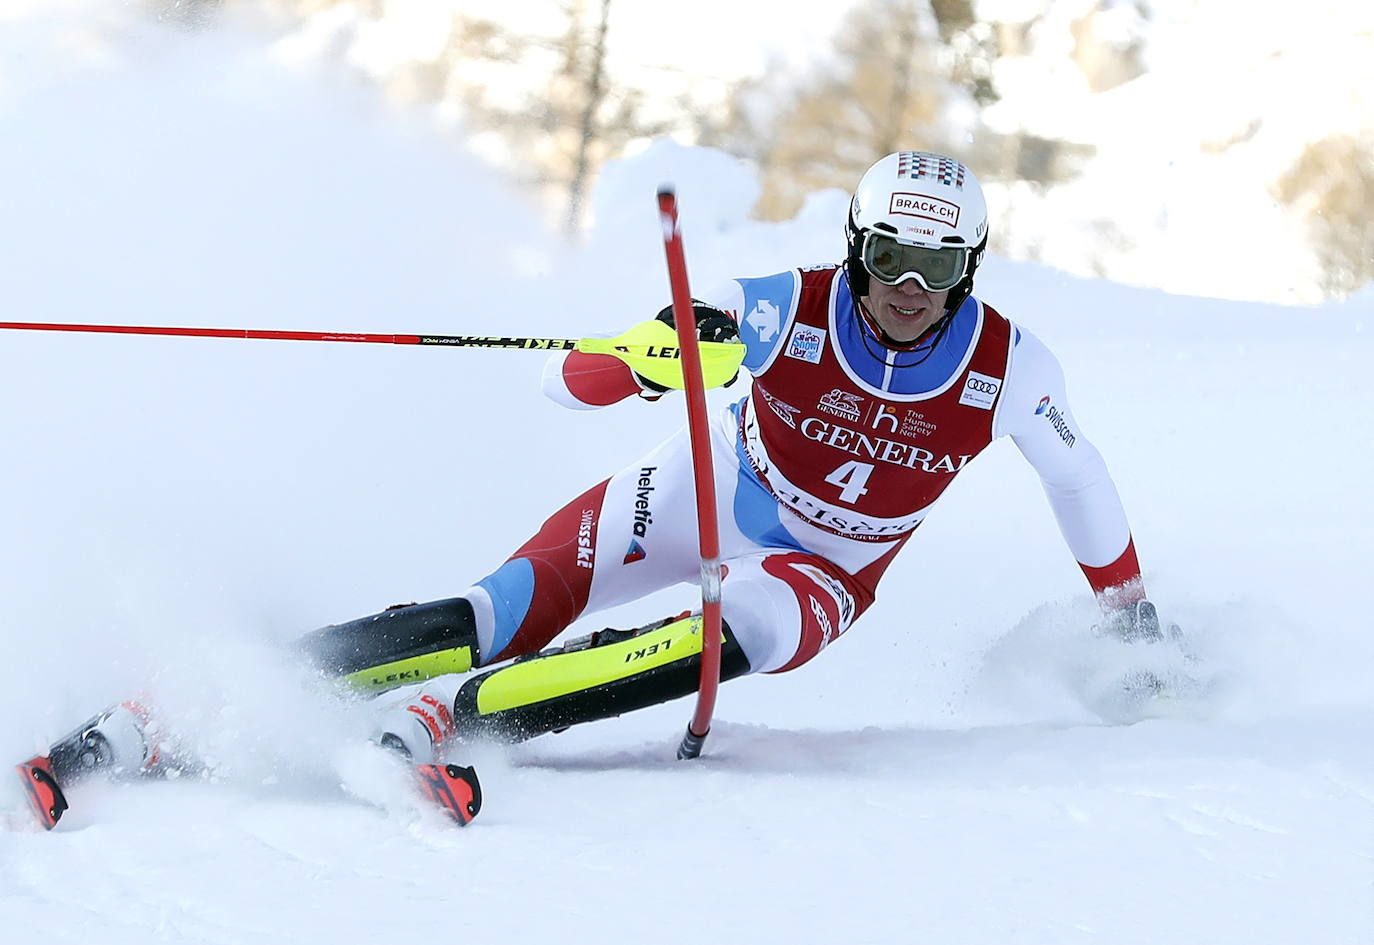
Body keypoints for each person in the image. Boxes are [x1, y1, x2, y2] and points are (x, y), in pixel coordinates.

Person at [21, 152, 1171, 805]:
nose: (907, 287)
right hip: (705, 488)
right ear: (856, 245)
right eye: (887, 258)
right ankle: (177, 706)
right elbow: (562, 389)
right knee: (494, 610)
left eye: (936, 266)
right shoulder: (780, 305)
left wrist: (1125, 610)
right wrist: (646, 356)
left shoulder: (1010, 365)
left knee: (737, 637)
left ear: (969, 265)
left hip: (826, 569)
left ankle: (451, 724)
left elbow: (1081, 482)